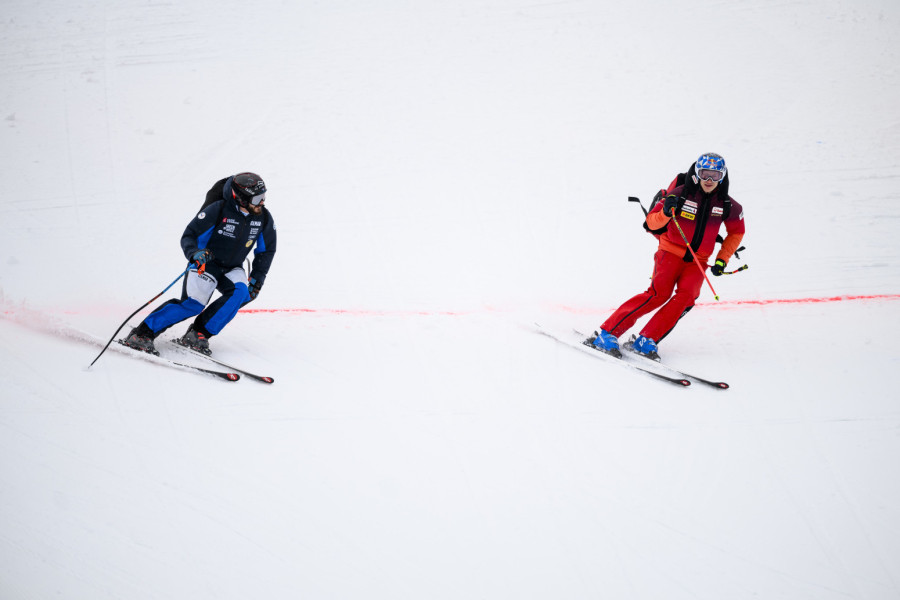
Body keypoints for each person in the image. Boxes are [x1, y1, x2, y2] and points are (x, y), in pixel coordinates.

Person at [587, 152, 744, 360]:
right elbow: (651, 222)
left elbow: (736, 232)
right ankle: (607, 333)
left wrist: (722, 259)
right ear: (697, 173)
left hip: (698, 261)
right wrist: (666, 213)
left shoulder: (728, 205)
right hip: (670, 252)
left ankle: (646, 340)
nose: (709, 180)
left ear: (722, 177)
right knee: (658, 294)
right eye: (705, 173)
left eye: (715, 175)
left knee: (686, 297)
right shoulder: (680, 194)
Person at [124, 172, 277, 356]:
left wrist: (257, 278)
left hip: (232, 267)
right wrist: (194, 253)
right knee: (193, 304)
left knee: (240, 293)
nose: (262, 202)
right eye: (257, 198)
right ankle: (142, 333)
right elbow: (189, 235)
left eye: (263, 196)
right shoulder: (218, 209)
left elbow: (266, 250)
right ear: (242, 198)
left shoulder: (263, 218)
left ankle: (198, 334)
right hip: (207, 263)